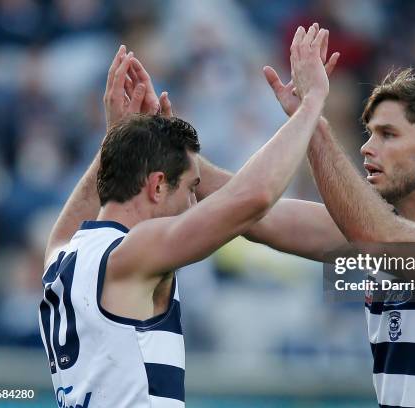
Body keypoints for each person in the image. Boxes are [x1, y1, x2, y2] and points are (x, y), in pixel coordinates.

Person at [141, 23, 415, 407]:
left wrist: (312, 119)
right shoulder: (382, 235)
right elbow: (254, 213)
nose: (368, 148)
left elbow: (379, 239)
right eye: (369, 134)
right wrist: (168, 147)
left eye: (388, 135)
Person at [39, 25, 331, 408]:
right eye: (192, 188)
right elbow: (254, 198)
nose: (196, 202)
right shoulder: (133, 253)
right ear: (157, 186)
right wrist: (311, 105)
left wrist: (119, 136)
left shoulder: (62, 254)